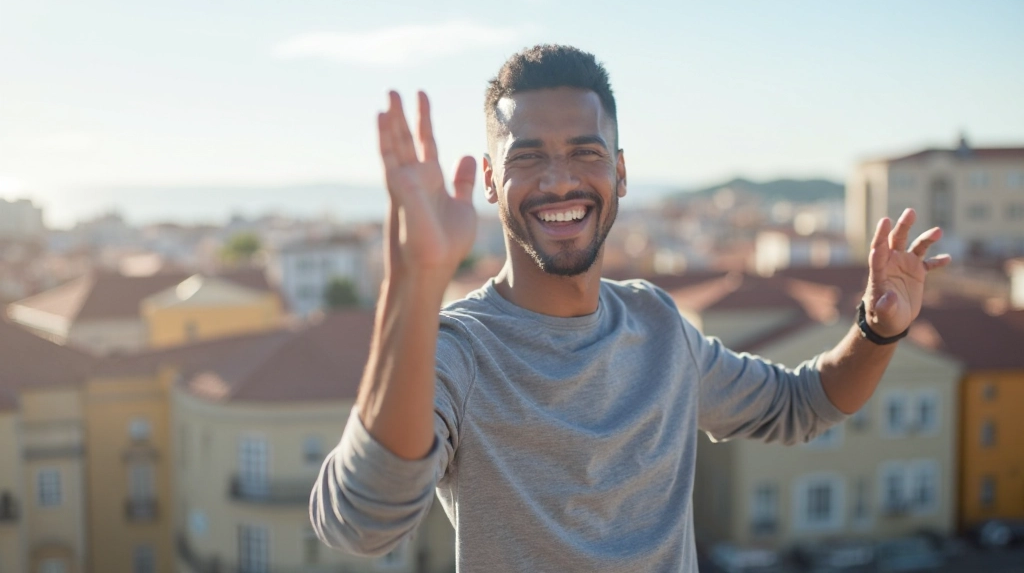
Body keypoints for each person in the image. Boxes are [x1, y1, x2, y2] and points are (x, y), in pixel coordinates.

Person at [310, 44, 950, 572]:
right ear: (489, 180)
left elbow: (801, 405)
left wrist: (877, 329)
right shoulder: (458, 351)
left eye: (584, 153)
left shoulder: (659, 325)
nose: (560, 180)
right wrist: (415, 282)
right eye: (527, 157)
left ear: (619, 172)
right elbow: (359, 525)